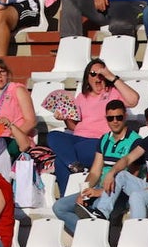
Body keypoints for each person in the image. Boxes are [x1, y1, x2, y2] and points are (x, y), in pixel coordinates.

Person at [48, 57, 140, 194]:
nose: (98, 77)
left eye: (101, 74)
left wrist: (112, 77)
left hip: (99, 142)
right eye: (93, 74)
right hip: (78, 138)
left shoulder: (113, 93)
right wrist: (65, 118)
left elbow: (134, 100)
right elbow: (75, 127)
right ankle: (72, 169)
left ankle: (68, 194)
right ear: (87, 77)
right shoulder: (81, 97)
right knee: (53, 136)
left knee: (60, 160)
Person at [52, 99, 139, 234]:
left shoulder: (135, 141)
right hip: (99, 189)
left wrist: (100, 193)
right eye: (111, 118)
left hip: (119, 195)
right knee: (59, 207)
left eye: (119, 117)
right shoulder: (104, 139)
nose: (115, 121)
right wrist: (85, 191)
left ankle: (93, 238)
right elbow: (94, 172)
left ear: (125, 117)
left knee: (98, 208)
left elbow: (132, 178)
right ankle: (88, 236)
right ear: (106, 119)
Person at [92, 103, 148, 221]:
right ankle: (102, 213)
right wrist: (111, 173)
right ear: (147, 124)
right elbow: (127, 159)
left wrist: (146, 192)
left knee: (137, 196)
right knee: (121, 175)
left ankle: (137, 231)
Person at [0, 59, 36, 152]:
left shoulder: (17, 90)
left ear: (7, 74)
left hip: (15, 139)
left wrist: (12, 136)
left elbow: (31, 121)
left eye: (2, 71)